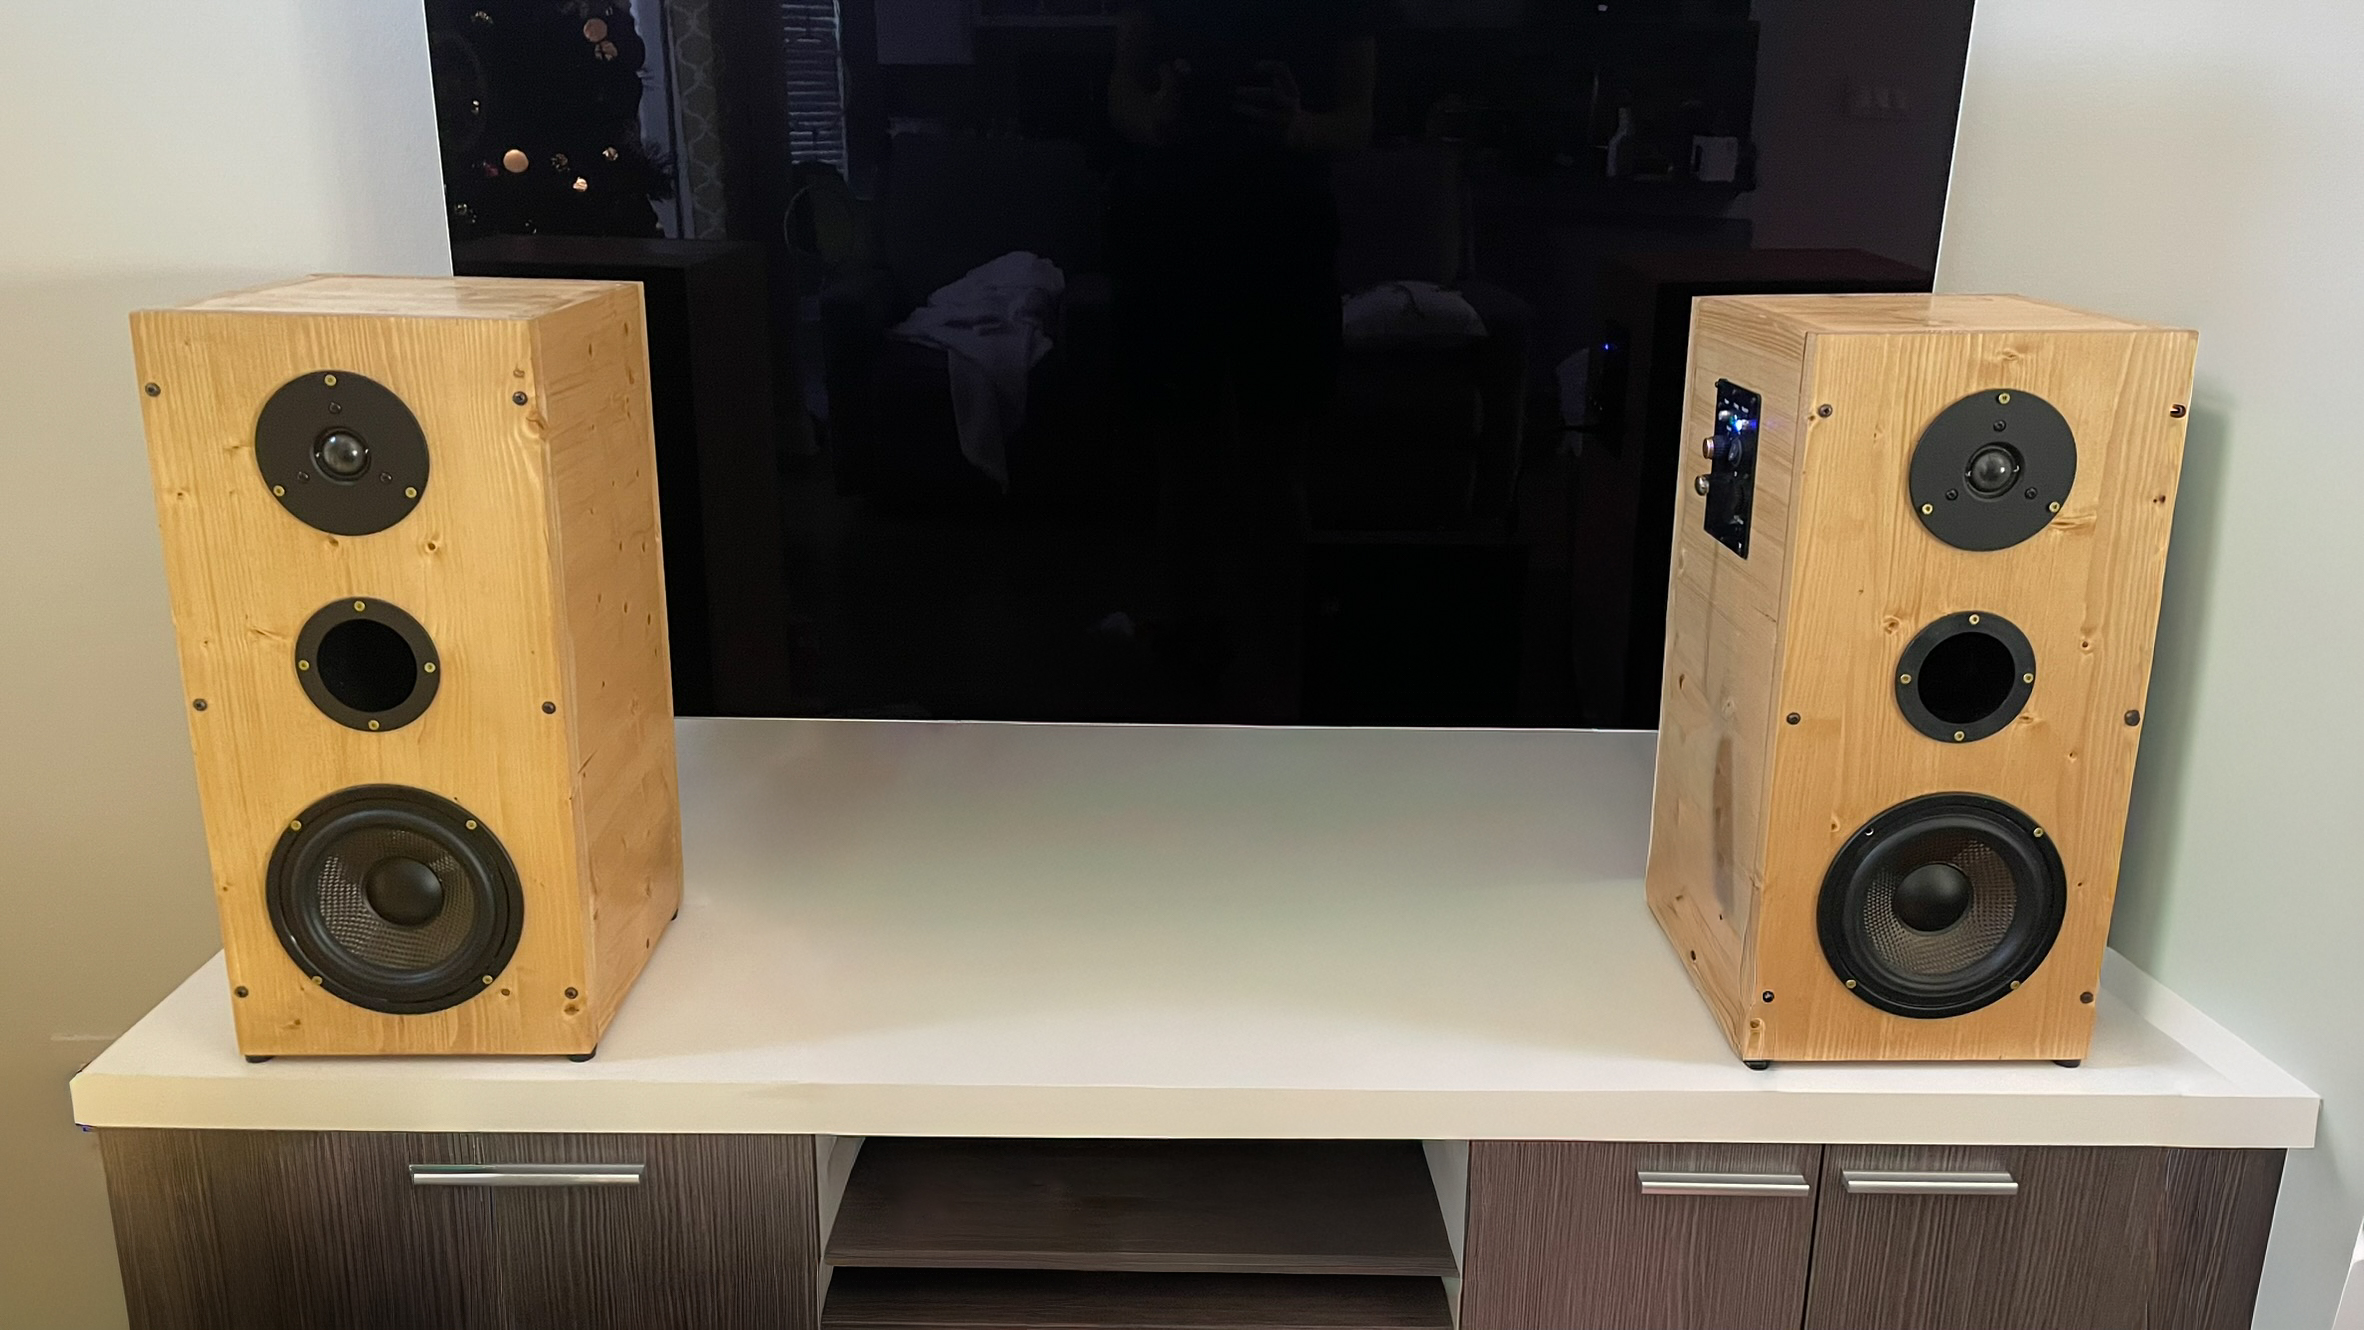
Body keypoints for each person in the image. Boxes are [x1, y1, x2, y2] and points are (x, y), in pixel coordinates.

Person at [1105, 0, 1380, 721]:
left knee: (1274, 469)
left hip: (1284, 244)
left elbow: (1359, 121)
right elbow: (1121, 95)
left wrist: (1299, 128)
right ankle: (1196, 654)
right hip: (1170, 238)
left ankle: (1279, 668)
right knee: (1183, 465)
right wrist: (1154, 118)